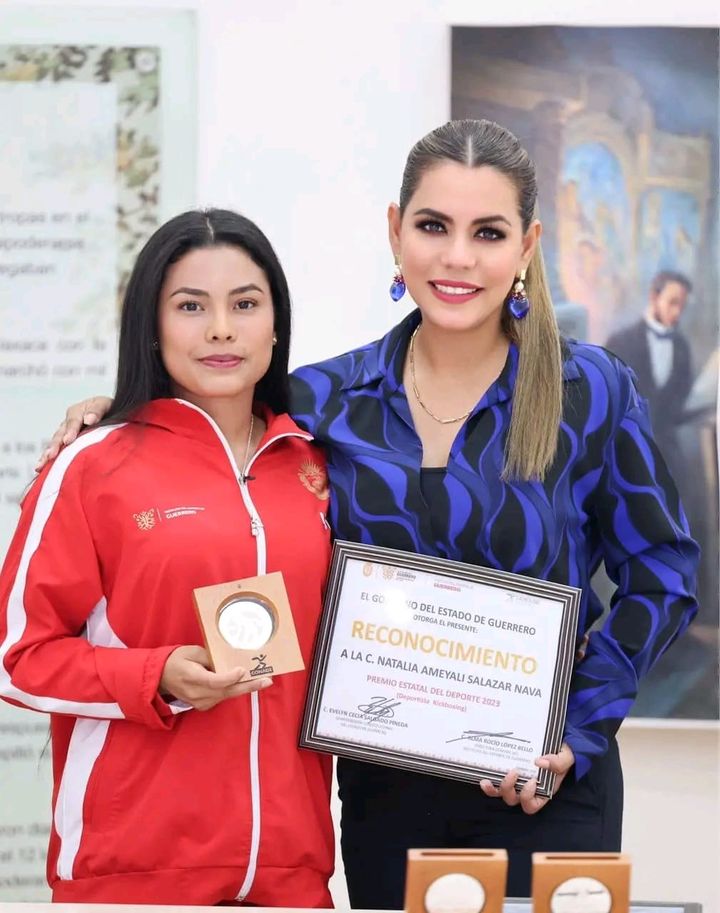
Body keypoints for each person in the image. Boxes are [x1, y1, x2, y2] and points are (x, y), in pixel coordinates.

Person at [37, 120, 699, 903]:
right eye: (433, 226)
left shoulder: (591, 390)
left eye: (488, 233)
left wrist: (579, 726)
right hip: (384, 794)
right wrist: (117, 411)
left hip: (545, 787)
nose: (457, 257)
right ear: (396, 232)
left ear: (527, 245)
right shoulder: (320, 401)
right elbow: (209, 433)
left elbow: (663, 572)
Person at [0, 210, 334, 905]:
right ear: (151, 327)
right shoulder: (93, 464)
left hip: (290, 877)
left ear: (276, 324)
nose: (221, 329)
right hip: (135, 875)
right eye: (191, 306)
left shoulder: (316, 466)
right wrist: (154, 676)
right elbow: (17, 654)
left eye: (245, 304)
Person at [605, 270, 693, 467]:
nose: (677, 312)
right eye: (672, 302)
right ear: (654, 297)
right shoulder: (620, 342)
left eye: (682, 305)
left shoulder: (682, 347)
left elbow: (681, 397)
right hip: (626, 456)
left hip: (669, 458)